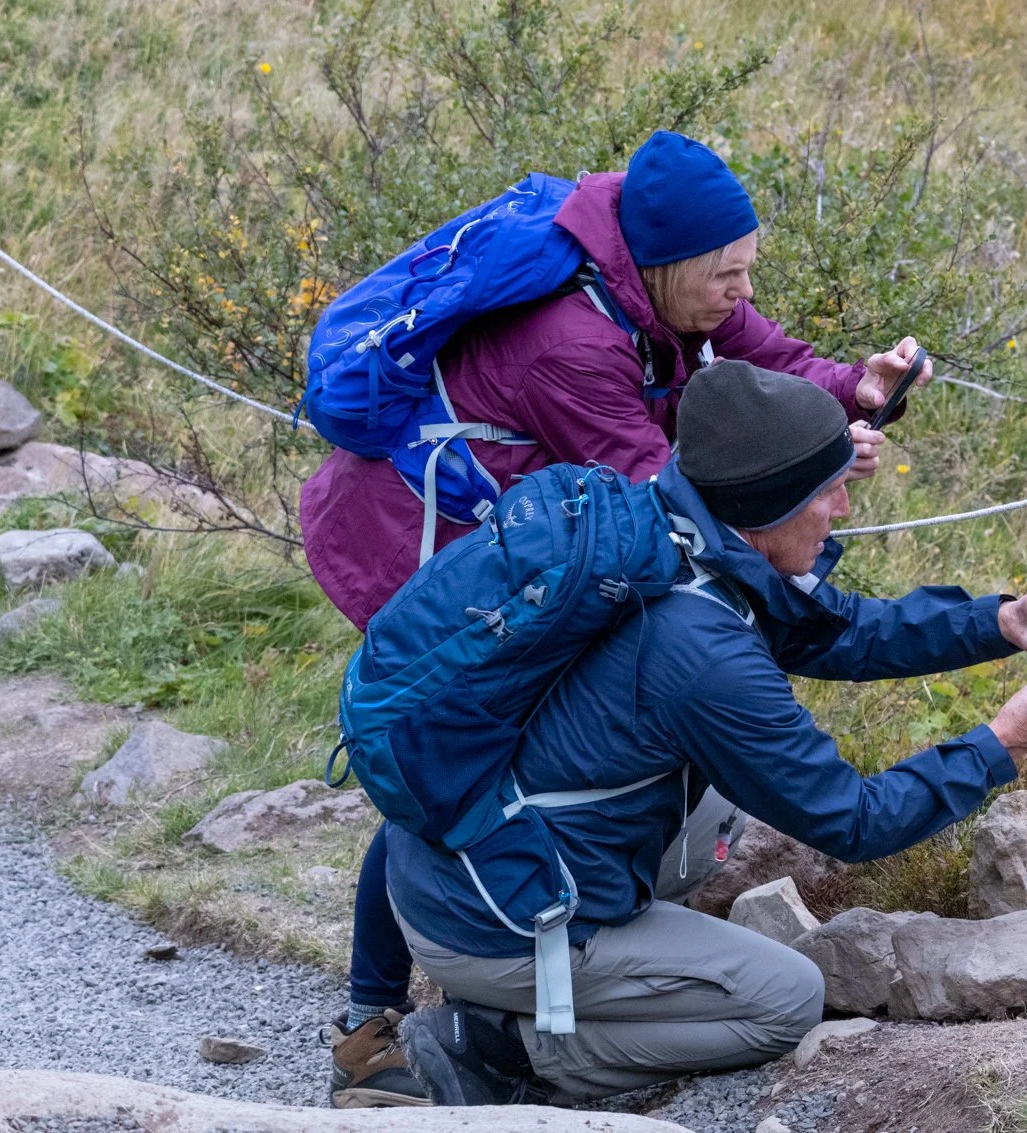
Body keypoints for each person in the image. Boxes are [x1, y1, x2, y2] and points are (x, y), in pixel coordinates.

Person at [316, 130, 933, 1108]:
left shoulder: (660, 268)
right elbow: (681, 499)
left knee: (534, 748)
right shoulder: (572, 342)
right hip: (422, 539)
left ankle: (538, 956)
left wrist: (844, 388)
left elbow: (751, 361)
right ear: (669, 267)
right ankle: (369, 1025)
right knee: (435, 760)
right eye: (725, 275)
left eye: (748, 270)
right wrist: (804, 488)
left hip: (540, 547)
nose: (740, 290)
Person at [383, 360, 1027, 1106]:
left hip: (462, 860)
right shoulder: (703, 649)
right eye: (829, 489)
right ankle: (505, 1050)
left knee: (712, 817)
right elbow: (852, 819)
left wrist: (997, 620)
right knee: (784, 998)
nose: (844, 507)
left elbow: (844, 632)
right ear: (768, 506)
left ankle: (571, 981)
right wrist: (1002, 743)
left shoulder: (674, 539)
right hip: (495, 917)